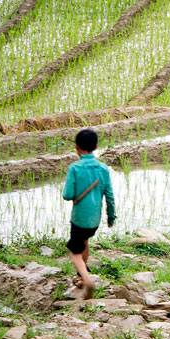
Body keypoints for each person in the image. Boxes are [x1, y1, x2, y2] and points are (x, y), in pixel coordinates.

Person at [62, 128, 116, 300]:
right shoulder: (103, 168)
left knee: (74, 250)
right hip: (95, 219)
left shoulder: (75, 168)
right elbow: (109, 195)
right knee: (84, 242)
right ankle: (81, 275)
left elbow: (67, 195)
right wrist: (111, 217)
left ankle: (86, 279)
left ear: (76, 147)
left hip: (80, 218)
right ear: (96, 146)